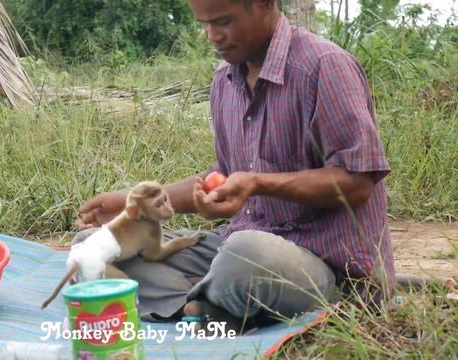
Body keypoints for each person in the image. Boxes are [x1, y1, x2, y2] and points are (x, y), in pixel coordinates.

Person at [74, 0, 395, 331]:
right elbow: (221, 177)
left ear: (264, 4)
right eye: (205, 25)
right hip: (238, 245)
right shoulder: (225, 80)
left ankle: (218, 294)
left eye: (224, 21)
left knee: (245, 255)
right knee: (94, 248)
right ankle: (204, 303)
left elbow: (357, 182)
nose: (213, 35)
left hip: (326, 267)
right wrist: (134, 203)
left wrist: (260, 183)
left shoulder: (324, 67)